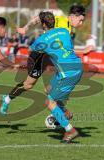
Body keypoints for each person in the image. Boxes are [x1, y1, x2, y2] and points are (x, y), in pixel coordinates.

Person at [0, 5, 86, 116]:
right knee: (28, 85)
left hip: (50, 58)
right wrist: (25, 28)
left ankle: (59, 114)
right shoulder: (59, 20)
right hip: (39, 56)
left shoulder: (69, 29)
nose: (81, 23)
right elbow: (40, 17)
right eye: (80, 20)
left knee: (50, 89)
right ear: (73, 16)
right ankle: (7, 99)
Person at [30, 12, 82, 142]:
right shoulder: (64, 31)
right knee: (48, 89)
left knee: (49, 102)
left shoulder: (40, 40)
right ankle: (64, 111)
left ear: (43, 24)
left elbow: (35, 54)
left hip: (66, 71)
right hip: (76, 65)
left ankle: (70, 130)